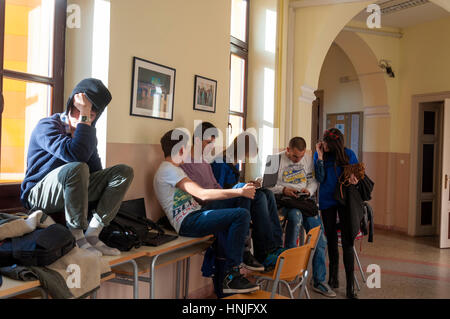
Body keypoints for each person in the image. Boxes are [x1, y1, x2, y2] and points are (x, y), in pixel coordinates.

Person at [20, 78, 134, 256]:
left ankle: (93, 234)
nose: (87, 118)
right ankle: (77, 236)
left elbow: (96, 173)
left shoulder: (88, 135)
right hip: (37, 195)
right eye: (82, 112)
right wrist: (85, 113)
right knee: (77, 167)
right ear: (73, 105)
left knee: (123, 172)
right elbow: (76, 155)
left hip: (69, 192)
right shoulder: (48, 126)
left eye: (92, 115)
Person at [153, 129, 259, 294]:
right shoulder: (168, 170)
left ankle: (242, 252)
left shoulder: (175, 169)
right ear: (181, 150)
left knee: (241, 188)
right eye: (187, 148)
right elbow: (201, 193)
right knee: (242, 213)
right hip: (188, 222)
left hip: (199, 212)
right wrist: (238, 193)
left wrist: (240, 191)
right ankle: (232, 273)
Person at [268, 137, 336, 298]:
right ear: (287, 150)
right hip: (285, 202)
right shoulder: (274, 160)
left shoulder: (307, 160)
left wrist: (308, 191)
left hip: (304, 201)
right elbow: (267, 186)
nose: (298, 159)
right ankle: (289, 271)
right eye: (294, 157)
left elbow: (313, 181)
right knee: (295, 218)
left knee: (319, 240)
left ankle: (319, 280)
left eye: (300, 156)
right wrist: (284, 190)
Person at [210, 132, 284, 266]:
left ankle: (276, 245)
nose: (245, 158)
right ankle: (264, 252)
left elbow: (233, 184)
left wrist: (248, 184)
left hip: (235, 197)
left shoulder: (234, 162)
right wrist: (243, 187)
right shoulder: (220, 162)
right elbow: (218, 190)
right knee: (260, 196)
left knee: (267, 193)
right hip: (222, 202)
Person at [314, 128, 359, 299]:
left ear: (333, 144)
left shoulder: (348, 154)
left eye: (325, 143)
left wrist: (355, 179)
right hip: (327, 202)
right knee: (331, 240)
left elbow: (356, 177)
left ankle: (350, 287)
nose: (322, 144)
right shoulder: (320, 155)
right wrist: (319, 157)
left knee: (348, 243)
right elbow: (320, 178)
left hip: (345, 202)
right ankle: (333, 278)